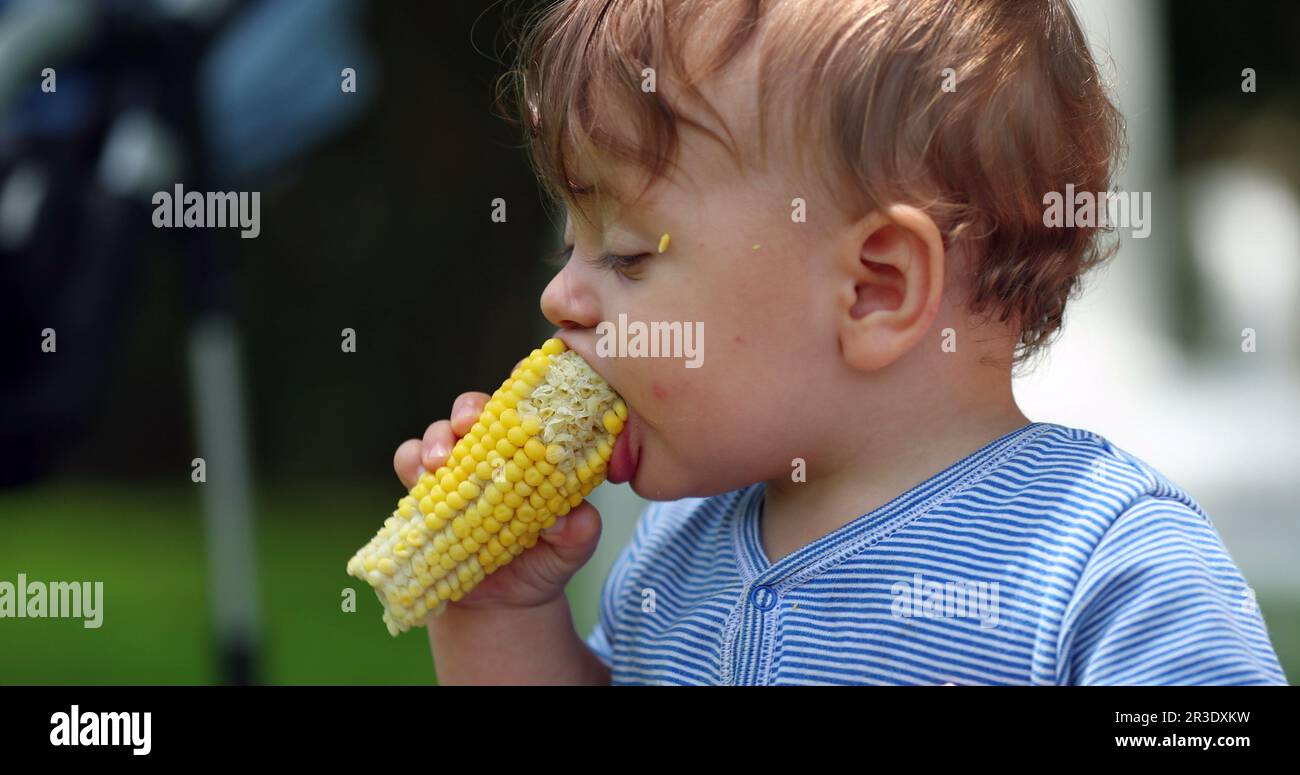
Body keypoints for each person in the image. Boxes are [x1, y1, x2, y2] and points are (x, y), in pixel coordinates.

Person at [392, 0, 1288, 685]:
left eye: (628, 255)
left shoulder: (1108, 566)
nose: (560, 295)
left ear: (876, 289)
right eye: (571, 248)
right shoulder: (677, 550)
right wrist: (499, 613)